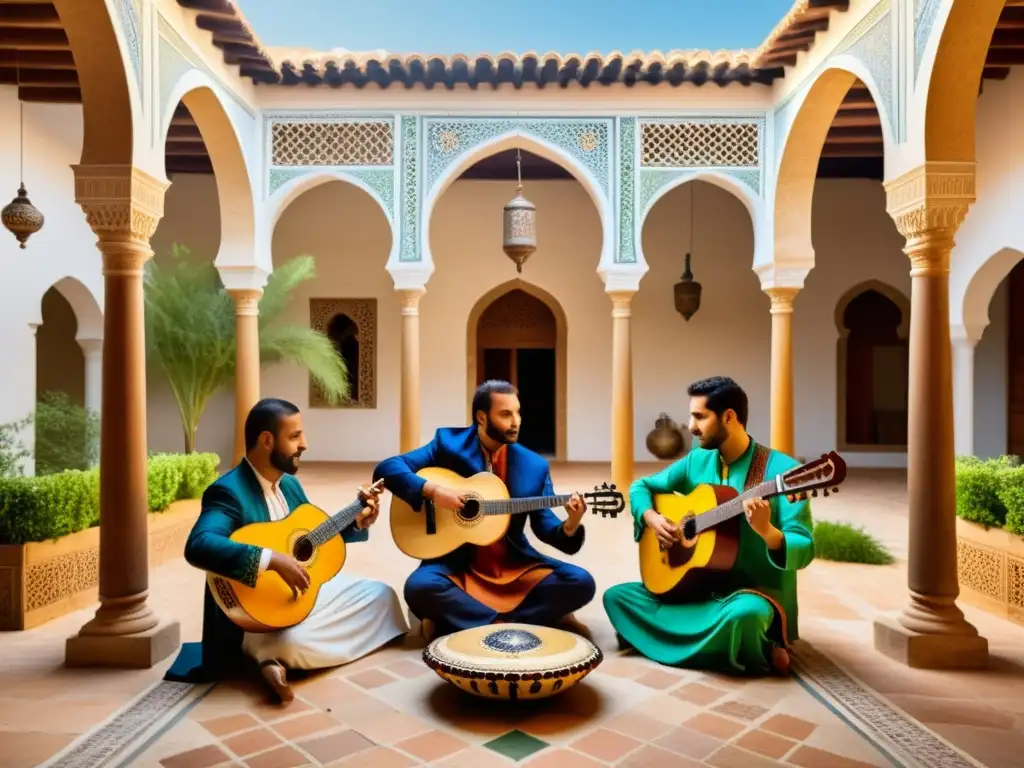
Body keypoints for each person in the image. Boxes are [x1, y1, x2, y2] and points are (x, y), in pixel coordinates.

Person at [183, 398, 409, 701]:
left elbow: (310, 540)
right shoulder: (228, 492)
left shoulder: (289, 486)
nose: (304, 444)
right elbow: (199, 545)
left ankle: (271, 656)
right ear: (267, 440)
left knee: (383, 598)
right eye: (294, 436)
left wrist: (356, 521)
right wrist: (272, 560)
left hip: (297, 596)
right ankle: (269, 653)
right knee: (292, 642)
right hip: (253, 614)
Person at [603, 376, 814, 676]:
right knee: (617, 598)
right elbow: (641, 486)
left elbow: (804, 546)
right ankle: (739, 648)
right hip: (696, 588)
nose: (690, 426)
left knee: (747, 616)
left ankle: (748, 643)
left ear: (729, 417)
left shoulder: (784, 472)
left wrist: (768, 532)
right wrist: (650, 516)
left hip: (746, 596)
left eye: (700, 417)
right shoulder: (698, 460)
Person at [373, 380, 596, 639]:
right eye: (505, 414)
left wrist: (571, 524)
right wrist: (434, 491)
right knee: (419, 588)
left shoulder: (533, 465)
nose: (516, 421)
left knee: (580, 582)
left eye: (518, 413)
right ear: (481, 417)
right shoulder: (447, 444)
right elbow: (387, 469)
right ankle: (536, 618)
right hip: (455, 567)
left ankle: (463, 620)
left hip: (512, 566)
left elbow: (545, 526)